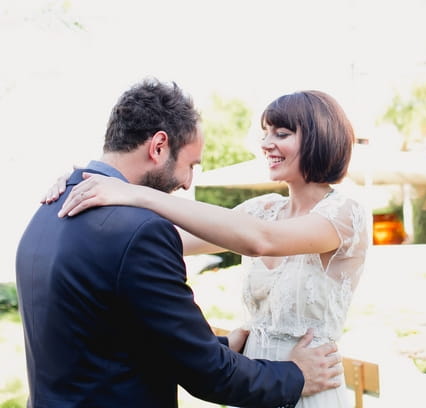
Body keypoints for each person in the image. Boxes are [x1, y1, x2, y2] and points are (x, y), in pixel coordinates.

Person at [17, 79, 343, 408]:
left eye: (282, 133)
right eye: (191, 166)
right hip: (296, 377)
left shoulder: (52, 206)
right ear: (159, 147)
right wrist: (297, 375)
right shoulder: (137, 231)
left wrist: (219, 345)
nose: (188, 183)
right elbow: (209, 374)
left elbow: (116, 336)